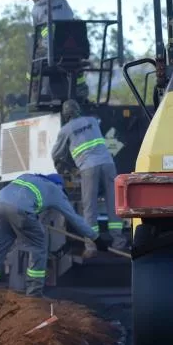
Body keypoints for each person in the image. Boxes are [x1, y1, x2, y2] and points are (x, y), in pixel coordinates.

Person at [0, 173, 99, 301]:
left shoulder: (28, 178)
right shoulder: (55, 190)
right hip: (20, 209)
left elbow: (26, 199)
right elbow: (75, 219)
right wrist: (95, 237)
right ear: (59, 185)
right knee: (38, 247)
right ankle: (34, 293)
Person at [50, 99, 127, 250]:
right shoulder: (92, 120)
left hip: (88, 168)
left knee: (90, 208)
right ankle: (119, 242)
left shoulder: (66, 130)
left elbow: (56, 154)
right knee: (114, 203)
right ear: (78, 110)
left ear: (66, 115)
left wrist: (65, 166)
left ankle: (91, 246)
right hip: (108, 164)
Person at [26, 0, 88, 103]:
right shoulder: (63, 1)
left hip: (52, 51)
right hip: (74, 48)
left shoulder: (36, 9)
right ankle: (81, 89)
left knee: (33, 63)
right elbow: (71, 18)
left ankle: (34, 91)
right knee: (76, 63)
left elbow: (37, 32)